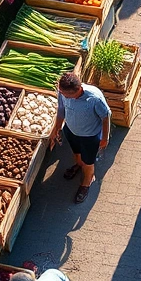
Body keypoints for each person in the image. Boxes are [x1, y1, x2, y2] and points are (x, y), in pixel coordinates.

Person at [49, 72, 111, 204]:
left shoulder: (94, 98)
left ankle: (87, 181)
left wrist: (105, 138)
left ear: (78, 90)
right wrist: (57, 128)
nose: (63, 96)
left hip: (89, 136)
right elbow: (61, 110)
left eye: (66, 95)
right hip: (71, 130)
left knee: (89, 161)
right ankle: (78, 164)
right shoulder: (63, 92)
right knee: (76, 152)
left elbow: (105, 116)